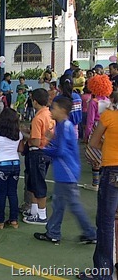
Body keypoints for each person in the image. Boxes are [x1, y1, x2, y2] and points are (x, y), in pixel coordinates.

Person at [33, 97, 96, 245]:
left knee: (72, 204)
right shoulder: (62, 125)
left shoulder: (65, 126)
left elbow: (61, 150)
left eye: (53, 108)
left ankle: (89, 233)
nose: (50, 110)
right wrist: (50, 140)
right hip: (65, 171)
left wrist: (43, 149)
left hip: (67, 172)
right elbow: (61, 146)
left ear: (62, 110)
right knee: (60, 204)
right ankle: (54, 232)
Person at [77, 94, 118, 280]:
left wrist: (108, 145)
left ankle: (103, 272)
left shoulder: (109, 116)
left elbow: (93, 142)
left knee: (106, 222)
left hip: (112, 171)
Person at [22, 88, 54, 225]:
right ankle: (34, 211)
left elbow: (35, 140)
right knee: (33, 183)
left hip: (37, 151)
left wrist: (24, 135)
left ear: (35, 101)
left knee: (38, 184)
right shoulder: (49, 114)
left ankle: (41, 215)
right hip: (47, 151)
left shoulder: (38, 118)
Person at [0, 108, 24, 229]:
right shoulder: (18, 134)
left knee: (2, 193)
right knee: (13, 192)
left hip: (2, 165)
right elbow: (20, 149)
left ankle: (0, 221)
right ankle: (13, 220)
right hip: (15, 164)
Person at [84, 74, 113, 191]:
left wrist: (87, 135)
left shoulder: (93, 102)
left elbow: (90, 121)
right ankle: (104, 183)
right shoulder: (108, 101)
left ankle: (95, 184)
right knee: (103, 156)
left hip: (96, 128)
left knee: (94, 158)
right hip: (107, 129)